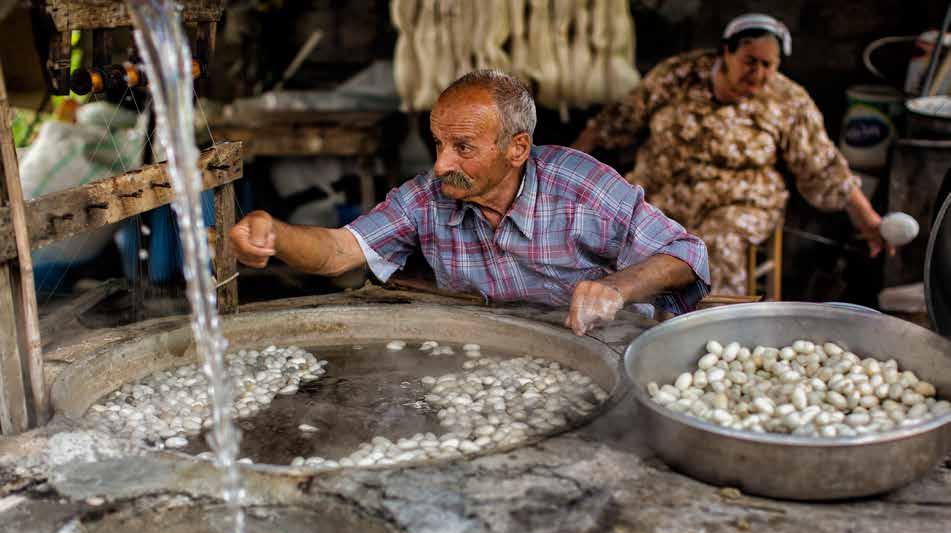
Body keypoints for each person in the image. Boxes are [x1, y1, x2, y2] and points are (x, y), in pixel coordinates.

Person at [230, 70, 710, 335]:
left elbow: (688, 254)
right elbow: (338, 250)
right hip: (493, 349)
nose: (440, 164)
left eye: (462, 148)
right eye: (438, 144)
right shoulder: (426, 198)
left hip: (600, 346)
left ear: (517, 148)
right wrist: (276, 233)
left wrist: (618, 287)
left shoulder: (580, 185)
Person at [572, 13, 891, 296]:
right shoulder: (678, 76)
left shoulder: (787, 99)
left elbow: (823, 165)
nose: (759, 73)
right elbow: (615, 121)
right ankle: (633, 334)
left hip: (737, 202)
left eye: (769, 65)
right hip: (662, 189)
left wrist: (867, 218)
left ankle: (710, 338)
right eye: (750, 60)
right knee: (622, 234)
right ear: (726, 51)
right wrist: (565, 164)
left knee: (713, 248)